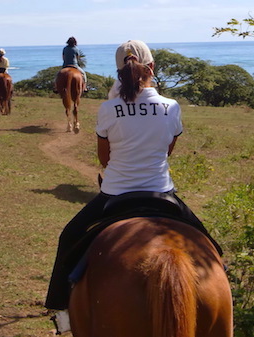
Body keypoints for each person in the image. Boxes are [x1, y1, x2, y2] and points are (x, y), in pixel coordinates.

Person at [44, 39, 218, 334]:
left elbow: (104, 158)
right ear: (151, 68)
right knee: (212, 249)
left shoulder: (108, 108)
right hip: (162, 193)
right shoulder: (171, 107)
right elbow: (166, 151)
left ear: (118, 71)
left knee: (69, 238)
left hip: (114, 194)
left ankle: (62, 314)